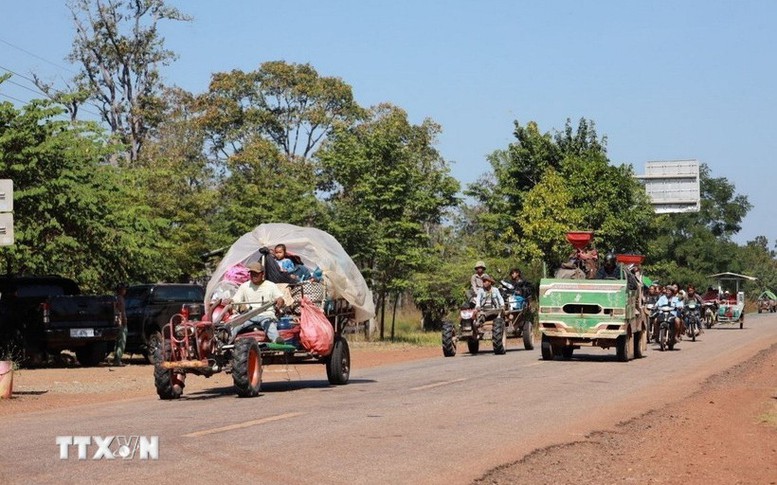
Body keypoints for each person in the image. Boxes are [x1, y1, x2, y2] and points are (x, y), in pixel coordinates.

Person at [226, 262, 285, 343]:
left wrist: (279, 301)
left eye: (256, 273)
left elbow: (279, 298)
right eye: (252, 273)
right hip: (249, 315)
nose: (254, 276)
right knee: (234, 325)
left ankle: (277, 341)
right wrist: (231, 302)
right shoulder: (244, 286)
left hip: (266, 315)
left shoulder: (271, 285)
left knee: (270, 325)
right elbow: (236, 299)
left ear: (262, 274)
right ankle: (226, 342)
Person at [113, 283, 128, 366]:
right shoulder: (120, 299)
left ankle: (116, 359)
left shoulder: (115, 298)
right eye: (124, 289)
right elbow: (121, 311)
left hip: (117, 321)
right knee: (122, 340)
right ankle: (118, 359)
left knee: (118, 341)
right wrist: (124, 320)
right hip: (121, 322)